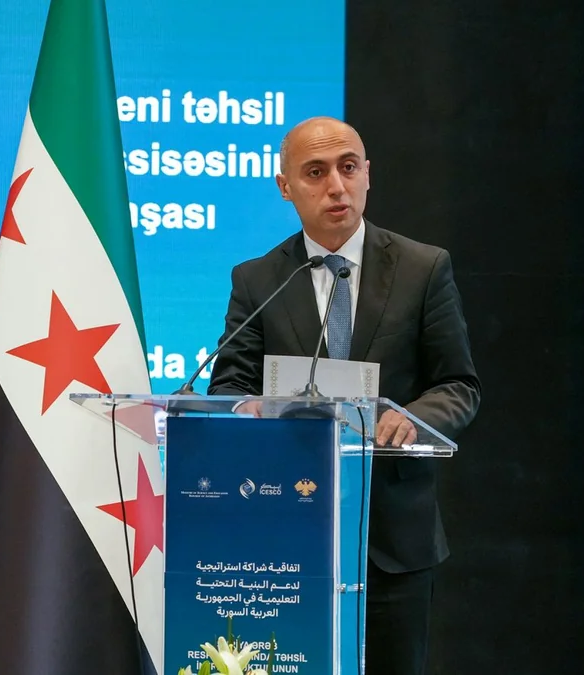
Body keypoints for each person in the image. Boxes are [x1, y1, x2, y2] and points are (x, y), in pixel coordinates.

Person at [206, 116, 481, 674]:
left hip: (391, 541)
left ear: (367, 174)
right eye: (315, 172)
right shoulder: (258, 280)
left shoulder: (422, 268)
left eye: (348, 168)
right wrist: (247, 409)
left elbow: (458, 384)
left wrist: (413, 416)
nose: (336, 186)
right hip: (285, 533)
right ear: (285, 186)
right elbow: (231, 383)